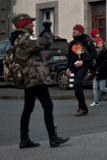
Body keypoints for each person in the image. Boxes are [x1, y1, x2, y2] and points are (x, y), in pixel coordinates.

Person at [9, 14, 69, 148]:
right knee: (48, 106)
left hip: (28, 77)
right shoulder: (25, 38)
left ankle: (24, 140)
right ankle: (53, 138)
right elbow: (46, 42)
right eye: (30, 23)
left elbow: (37, 42)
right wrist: (47, 28)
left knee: (28, 108)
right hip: (35, 77)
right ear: (23, 25)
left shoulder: (20, 38)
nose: (32, 25)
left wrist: (43, 32)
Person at [67, 24, 97, 116]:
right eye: (73, 29)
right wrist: (68, 67)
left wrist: (83, 61)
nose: (73, 31)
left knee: (77, 84)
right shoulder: (72, 43)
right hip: (75, 67)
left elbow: (93, 54)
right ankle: (82, 107)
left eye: (76, 30)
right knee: (76, 88)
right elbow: (70, 56)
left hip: (84, 66)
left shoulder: (87, 41)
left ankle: (82, 108)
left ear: (81, 32)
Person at [89, 38, 107, 107]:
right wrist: (90, 70)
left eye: (101, 43)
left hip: (102, 71)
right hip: (95, 71)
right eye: (99, 43)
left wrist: (99, 70)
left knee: (102, 87)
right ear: (96, 44)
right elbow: (92, 62)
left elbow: (104, 62)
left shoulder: (104, 52)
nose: (100, 44)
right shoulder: (94, 52)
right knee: (95, 87)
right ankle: (96, 102)